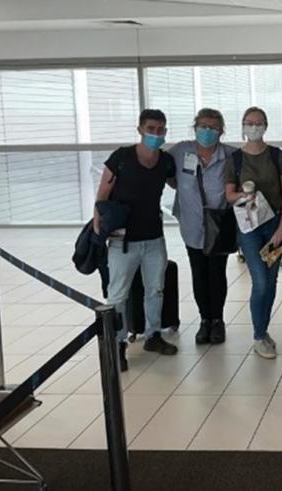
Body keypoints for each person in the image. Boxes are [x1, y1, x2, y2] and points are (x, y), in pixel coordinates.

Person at [95, 109, 178, 371]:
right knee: (117, 294)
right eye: (151, 128)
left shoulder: (165, 162)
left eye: (161, 129)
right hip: (123, 240)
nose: (156, 133)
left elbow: (179, 184)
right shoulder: (121, 158)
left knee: (155, 290)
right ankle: (118, 344)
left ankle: (153, 335)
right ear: (140, 129)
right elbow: (103, 193)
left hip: (154, 237)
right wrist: (99, 220)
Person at [225, 107, 282, 360]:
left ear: (266, 125)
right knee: (260, 281)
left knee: (272, 280)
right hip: (249, 228)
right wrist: (243, 195)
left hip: (273, 224)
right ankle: (258, 335)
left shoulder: (277, 156)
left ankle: (264, 331)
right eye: (249, 123)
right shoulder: (235, 159)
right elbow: (228, 195)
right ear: (242, 125)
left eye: (259, 122)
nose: (254, 127)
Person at [169, 108, 234, 345]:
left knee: (217, 273)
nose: (207, 131)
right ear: (195, 126)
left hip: (218, 226)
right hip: (192, 223)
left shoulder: (229, 155)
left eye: (213, 127)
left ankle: (217, 320)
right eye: (203, 126)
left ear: (221, 131)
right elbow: (169, 176)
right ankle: (204, 320)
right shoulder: (180, 151)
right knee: (198, 273)